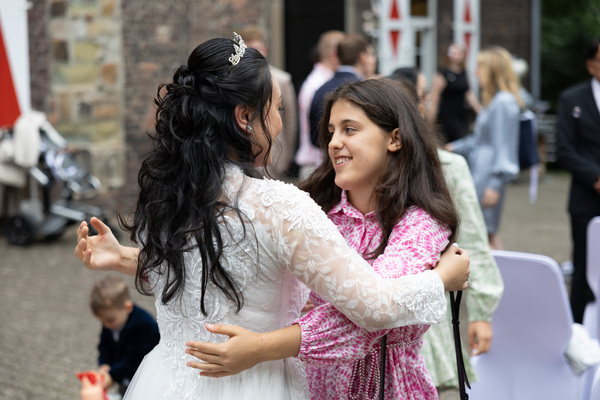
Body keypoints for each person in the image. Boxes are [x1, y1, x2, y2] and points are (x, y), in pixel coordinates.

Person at [74, 35, 470, 399]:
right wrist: (441, 279)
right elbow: (374, 307)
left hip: (168, 382)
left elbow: (202, 271)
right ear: (245, 117)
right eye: (276, 108)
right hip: (256, 384)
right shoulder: (280, 206)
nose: (281, 123)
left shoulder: (173, 196)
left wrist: (123, 257)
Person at [183, 77, 464, 400]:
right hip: (310, 388)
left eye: (349, 129)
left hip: (388, 389)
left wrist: (262, 346)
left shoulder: (421, 223)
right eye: (331, 132)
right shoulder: (314, 209)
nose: (333, 143)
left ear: (395, 139)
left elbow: (368, 317)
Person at [388, 67, 504, 399]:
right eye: (423, 95)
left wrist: (481, 313)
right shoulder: (365, 167)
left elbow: (472, 243)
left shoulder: (447, 166)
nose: (426, 104)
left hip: (428, 319)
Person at [446, 45, 523, 250]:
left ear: (492, 71)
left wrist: (495, 183)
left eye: (480, 67)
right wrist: (453, 147)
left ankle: (499, 269)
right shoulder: (495, 101)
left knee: (485, 232)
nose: (476, 72)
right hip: (482, 170)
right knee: (483, 231)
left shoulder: (503, 102)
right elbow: (482, 140)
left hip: (488, 174)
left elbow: (504, 145)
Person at [556, 37, 600, 324]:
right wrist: (595, 177)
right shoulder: (572, 99)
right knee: (585, 266)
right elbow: (564, 150)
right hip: (586, 198)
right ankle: (579, 329)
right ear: (590, 64)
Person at [238, 26, 298, 179]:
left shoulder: (282, 79)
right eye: (249, 49)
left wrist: (288, 155)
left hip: (275, 153)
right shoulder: (234, 80)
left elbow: (290, 120)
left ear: (265, 49)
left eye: (257, 49)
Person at [90, 275, 160, 396]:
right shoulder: (111, 322)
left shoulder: (144, 325)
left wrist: (112, 375)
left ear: (128, 307)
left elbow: (134, 359)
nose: (106, 325)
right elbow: (104, 346)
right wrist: (105, 364)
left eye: (110, 320)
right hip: (124, 376)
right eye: (103, 321)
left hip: (143, 379)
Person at [309, 33, 376, 146]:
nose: (373, 60)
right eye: (370, 55)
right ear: (363, 58)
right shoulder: (365, 89)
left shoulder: (321, 88)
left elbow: (314, 137)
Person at [295, 30, 345, 180]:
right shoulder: (322, 84)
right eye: (345, 54)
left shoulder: (316, 80)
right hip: (318, 165)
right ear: (335, 56)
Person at [428, 43, 482, 143]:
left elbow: (468, 94)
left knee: (462, 138)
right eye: (453, 53)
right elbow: (435, 97)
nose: (456, 56)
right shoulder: (442, 74)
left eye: (459, 53)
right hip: (447, 115)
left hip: (461, 114)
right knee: (457, 138)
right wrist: (431, 118)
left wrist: (479, 110)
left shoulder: (464, 73)